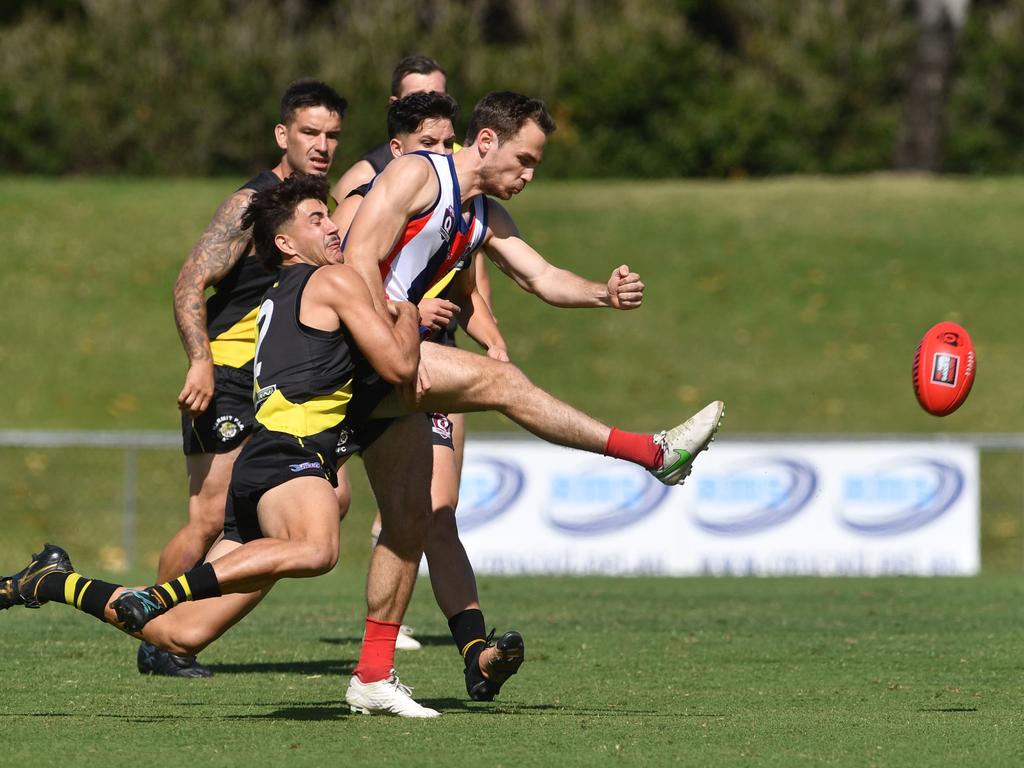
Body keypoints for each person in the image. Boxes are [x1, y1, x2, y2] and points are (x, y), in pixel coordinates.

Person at [337, 90, 725, 714]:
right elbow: (355, 257)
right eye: (524, 159)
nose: (529, 175)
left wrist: (605, 293)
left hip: (390, 358)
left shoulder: (482, 214)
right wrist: (397, 313)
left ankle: (372, 676)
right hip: (355, 349)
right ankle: (652, 453)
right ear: (485, 141)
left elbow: (542, 278)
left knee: (411, 522)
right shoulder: (417, 173)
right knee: (504, 382)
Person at [0, 173, 438, 717]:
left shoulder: (279, 294)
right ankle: (164, 592)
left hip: (262, 464)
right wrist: (411, 315)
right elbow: (398, 366)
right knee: (318, 547)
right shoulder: (334, 281)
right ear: (284, 243)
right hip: (288, 453)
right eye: (317, 218)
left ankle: (54, 581)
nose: (333, 227)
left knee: (178, 637)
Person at [148, 79, 349, 677]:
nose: (321, 145)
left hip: (274, 387)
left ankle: (174, 628)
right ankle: (156, 631)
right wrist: (201, 360)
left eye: (332, 135)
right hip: (229, 377)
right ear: (282, 135)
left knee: (328, 500)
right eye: (309, 133)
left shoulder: (316, 209)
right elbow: (189, 283)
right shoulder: (249, 203)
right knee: (212, 519)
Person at [336, 90, 523, 700]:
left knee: (432, 516)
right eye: (431, 145)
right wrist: (404, 317)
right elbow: (344, 257)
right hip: (362, 365)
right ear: (398, 147)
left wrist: (492, 343)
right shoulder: (374, 186)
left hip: (425, 373)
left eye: (451, 141)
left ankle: (470, 652)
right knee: (308, 540)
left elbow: (482, 296)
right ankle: (143, 610)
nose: (447, 153)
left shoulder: (470, 207)